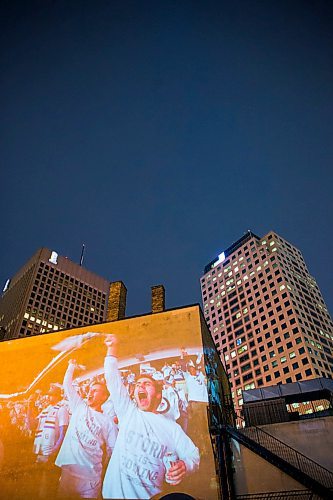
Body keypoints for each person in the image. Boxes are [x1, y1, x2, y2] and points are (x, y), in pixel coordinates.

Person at [102, 335, 200, 500]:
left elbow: (193, 454)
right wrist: (112, 349)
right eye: (138, 384)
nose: (140, 385)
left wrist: (185, 465)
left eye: (146, 384)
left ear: (158, 395)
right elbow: (112, 378)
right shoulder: (128, 412)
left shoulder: (172, 428)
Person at [55, 360, 118, 499]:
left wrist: (105, 468)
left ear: (104, 397)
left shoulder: (108, 422)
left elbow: (113, 450)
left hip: (90, 481)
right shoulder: (79, 406)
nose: (90, 393)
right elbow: (67, 384)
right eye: (89, 390)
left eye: (95, 391)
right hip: (68, 475)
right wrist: (71, 366)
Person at [33, 384, 69, 498]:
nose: (49, 397)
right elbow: (32, 425)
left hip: (51, 452)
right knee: (39, 483)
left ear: (58, 395)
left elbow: (64, 432)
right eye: (48, 395)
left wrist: (55, 450)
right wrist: (29, 406)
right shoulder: (45, 410)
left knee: (47, 484)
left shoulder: (62, 409)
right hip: (40, 451)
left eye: (52, 395)